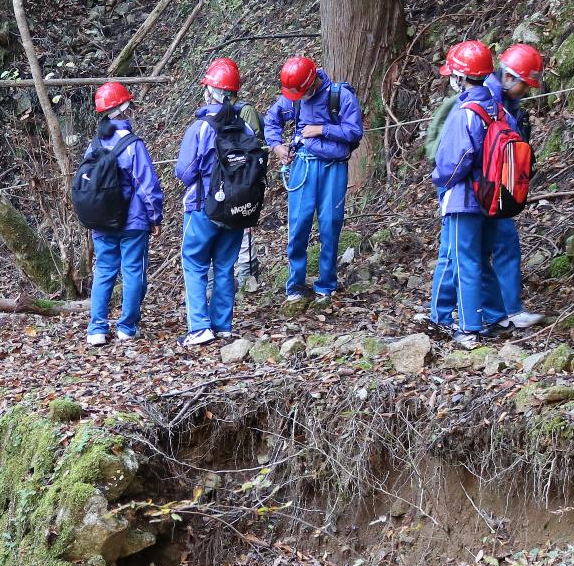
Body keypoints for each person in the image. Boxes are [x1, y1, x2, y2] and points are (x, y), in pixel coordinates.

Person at [263, 55, 363, 313]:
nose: (298, 97)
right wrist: (276, 146)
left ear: (312, 82)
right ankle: (295, 285)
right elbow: (272, 120)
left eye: (302, 92)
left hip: (333, 167)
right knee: (298, 224)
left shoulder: (340, 96)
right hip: (304, 166)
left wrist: (322, 129)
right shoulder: (293, 97)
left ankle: (326, 285)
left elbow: (354, 132)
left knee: (330, 224)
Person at [426, 41, 506, 349]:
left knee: (465, 260)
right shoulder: (496, 108)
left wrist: (439, 179)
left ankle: (469, 327)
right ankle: (497, 317)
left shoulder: (465, 113)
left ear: (460, 76)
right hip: (492, 195)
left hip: (464, 198)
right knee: (481, 259)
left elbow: (454, 161)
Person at [79, 80, 164, 347]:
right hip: (132, 222)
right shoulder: (132, 144)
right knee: (132, 272)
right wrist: (155, 217)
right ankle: (127, 327)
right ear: (125, 108)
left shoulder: (93, 145)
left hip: (102, 221)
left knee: (104, 271)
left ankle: (97, 329)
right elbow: (147, 186)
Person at [173, 57, 251, 347]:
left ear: (210, 91)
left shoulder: (201, 128)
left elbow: (185, 171)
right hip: (237, 207)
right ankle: (223, 325)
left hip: (203, 206)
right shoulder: (245, 128)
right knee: (224, 265)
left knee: (193, 263)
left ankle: (200, 327)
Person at [484, 43, 545, 330]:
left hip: (500, 187)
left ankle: (508, 308)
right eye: (525, 84)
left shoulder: (510, 105)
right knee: (469, 251)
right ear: (508, 77)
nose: (527, 91)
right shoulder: (482, 100)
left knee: (506, 243)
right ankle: (452, 310)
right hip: (481, 188)